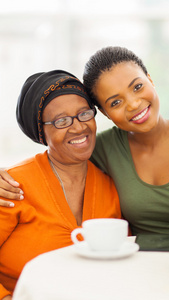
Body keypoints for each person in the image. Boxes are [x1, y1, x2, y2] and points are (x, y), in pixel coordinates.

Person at [1, 46, 169, 250]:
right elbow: (52, 161)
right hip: (143, 269)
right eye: (115, 102)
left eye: (138, 87)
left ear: (150, 79)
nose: (132, 104)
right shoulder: (101, 149)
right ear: (104, 113)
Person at [0, 70, 121, 299]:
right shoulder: (12, 186)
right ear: (42, 134)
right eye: (61, 121)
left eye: (84, 114)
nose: (78, 127)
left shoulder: (111, 186)